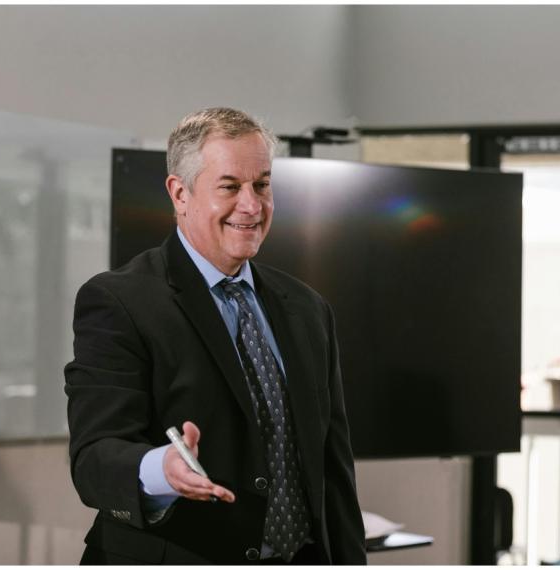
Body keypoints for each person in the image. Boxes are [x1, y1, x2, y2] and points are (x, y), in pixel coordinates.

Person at [65, 107, 367, 565]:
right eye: (229, 187)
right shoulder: (117, 302)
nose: (252, 205)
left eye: (262, 185)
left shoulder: (307, 308)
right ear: (179, 193)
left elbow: (334, 471)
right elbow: (94, 458)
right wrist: (162, 471)